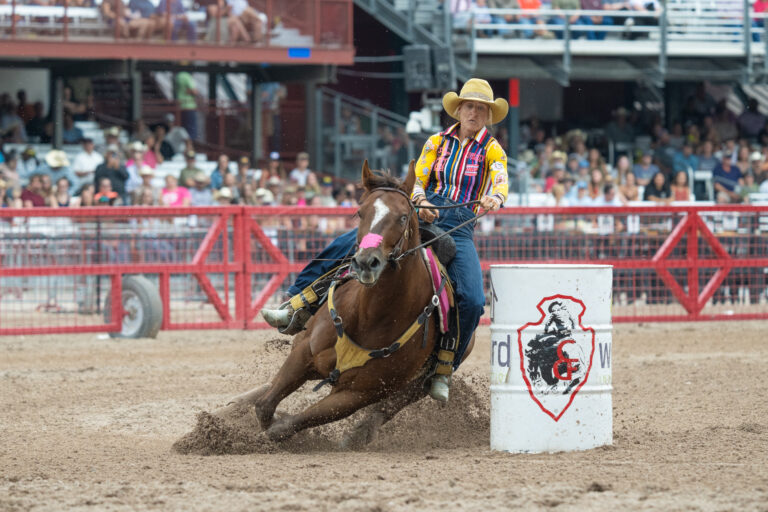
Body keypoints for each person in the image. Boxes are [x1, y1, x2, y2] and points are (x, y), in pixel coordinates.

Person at [261, 78, 509, 403]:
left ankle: (443, 368)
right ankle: (296, 303)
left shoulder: (493, 151)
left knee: (473, 300)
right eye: (470, 106)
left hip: (458, 229)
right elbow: (418, 177)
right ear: (459, 110)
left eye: (480, 108)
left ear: (488, 115)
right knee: (348, 243)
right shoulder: (437, 141)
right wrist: (421, 200)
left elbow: (501, 182)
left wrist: (495, 198)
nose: (474, 113)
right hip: (419, 216)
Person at [175, 71, 199, 140]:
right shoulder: (187, 77)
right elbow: (194, 91)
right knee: (191, 130)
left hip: (180, 106)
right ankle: (190, 146)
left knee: (183, 129)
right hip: (189, 106)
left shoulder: (178, 76)